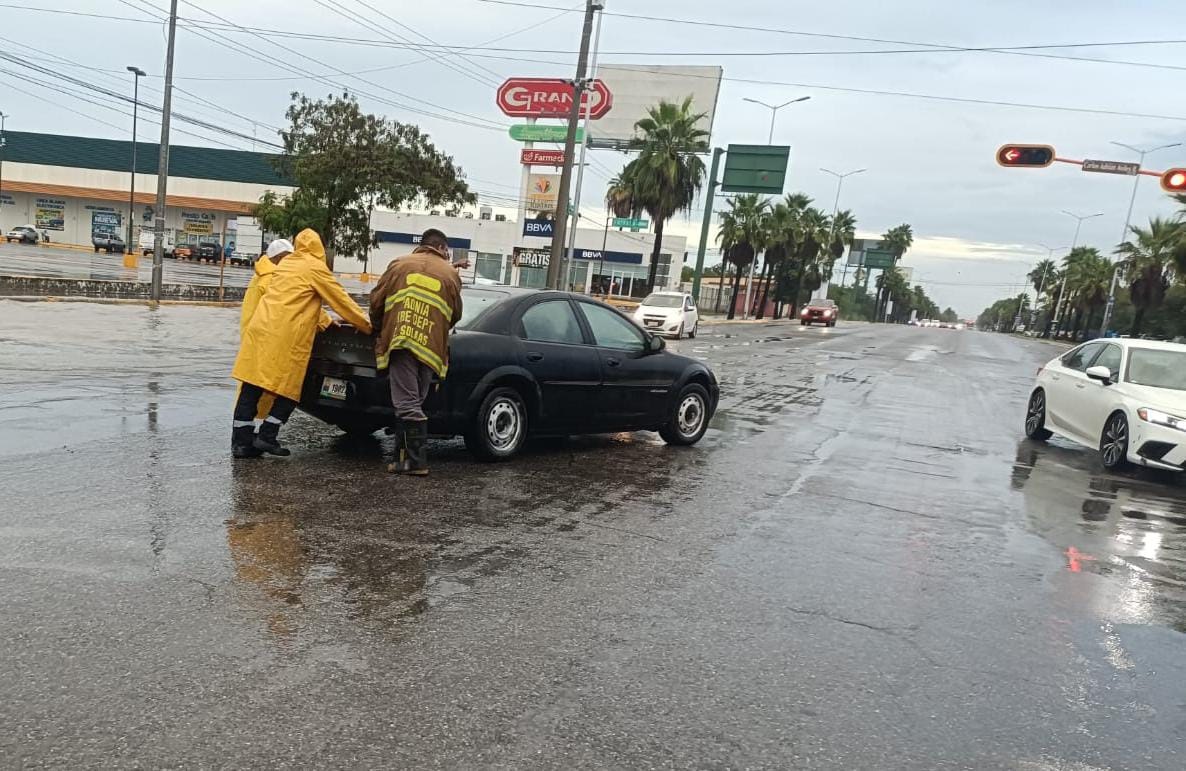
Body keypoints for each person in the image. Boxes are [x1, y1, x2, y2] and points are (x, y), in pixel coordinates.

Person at [231, 229, 372, 458]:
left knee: (252, 387)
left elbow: (294, 299)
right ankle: (267, 435)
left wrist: (325, 320)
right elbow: (341, 301)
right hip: (286, 337)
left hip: (260, 332)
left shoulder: (286, 265)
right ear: (319, 248)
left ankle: (241, 443)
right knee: (289, 389)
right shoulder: (314, 268)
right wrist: (367, 326)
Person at [369, 228, 463, 476]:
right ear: (441, 248)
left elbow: (377, 302)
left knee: (407, 402)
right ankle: (404, 460)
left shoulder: (399, 265)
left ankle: (414, 462)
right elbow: (455, 314)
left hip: (403, 340)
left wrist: (379, 328)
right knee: (414, 401)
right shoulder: (450, 274)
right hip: (431, 347)